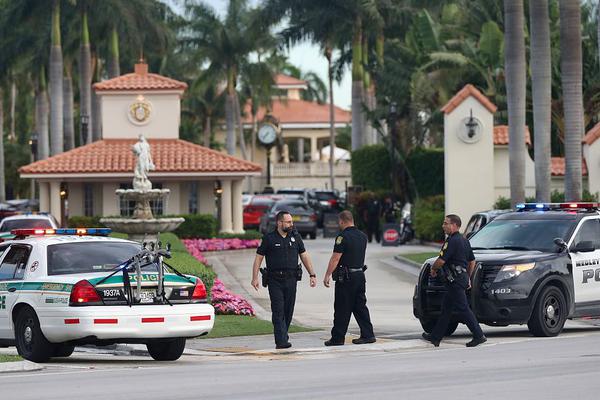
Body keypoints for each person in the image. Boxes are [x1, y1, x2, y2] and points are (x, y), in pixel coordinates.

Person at [251, 211, 317, 349]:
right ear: (279, 223)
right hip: (275, 280)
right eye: (288, 222)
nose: (291, 224)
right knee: (278, 310)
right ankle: (281, 341)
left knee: (288, 310)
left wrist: (312, 274)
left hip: (291, 279)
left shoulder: (296, 237)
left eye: (291, 222)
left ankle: (283, 334)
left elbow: (304, 256)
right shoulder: (269, 238)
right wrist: (255, 277)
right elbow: (258, 257)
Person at [422, 214, 487, 347]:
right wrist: (468, 277)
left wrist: (433, 270)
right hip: (459, 279)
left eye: (446, 223)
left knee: (463, 308)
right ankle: (435, 337)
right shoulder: (464, 240)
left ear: (454, 225)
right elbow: (472, 261)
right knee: (446, 310)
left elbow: (441, 260)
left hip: (454, 281)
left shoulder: (451, 241)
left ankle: (479, 335)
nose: (443, 226)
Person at [323, 210, 375, 346]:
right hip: (359, 275)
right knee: (360, 306)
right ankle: (368, 334)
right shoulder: (363, 236)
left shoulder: (342, 237)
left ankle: (337, 338)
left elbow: (335, 258)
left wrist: (328, 274)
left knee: (342, 307)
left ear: (341, 221)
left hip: (346, 277)